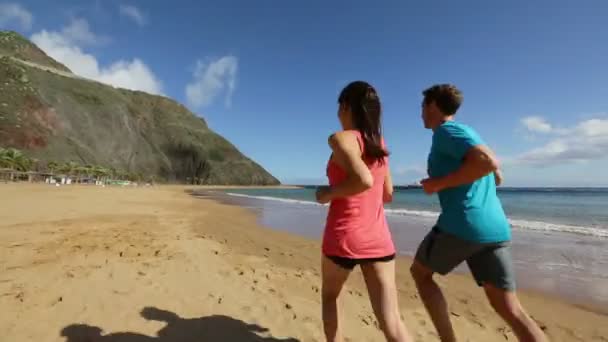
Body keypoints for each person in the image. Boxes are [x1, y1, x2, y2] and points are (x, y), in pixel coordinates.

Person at [410, 84, 548, 342]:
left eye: (422, 107)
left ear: (433, 106)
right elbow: (497, 176)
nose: (420, 113)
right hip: (494, 228)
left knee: (420, 273)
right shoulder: (469, 132)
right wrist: (461, 179)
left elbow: (489, 164)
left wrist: (438, 183)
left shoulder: (446, 131)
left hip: (462, 224)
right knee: (511, 309)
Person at [315, 81, 413, 342]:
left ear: (346, 106)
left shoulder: (339, 138)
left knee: (329, 296)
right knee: (391, 320)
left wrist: (327, 193)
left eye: (339, 107)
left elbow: (364, 180)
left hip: (343, 236)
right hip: (378, 239)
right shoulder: (379, 146)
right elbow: (387, 194)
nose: (337, 113)